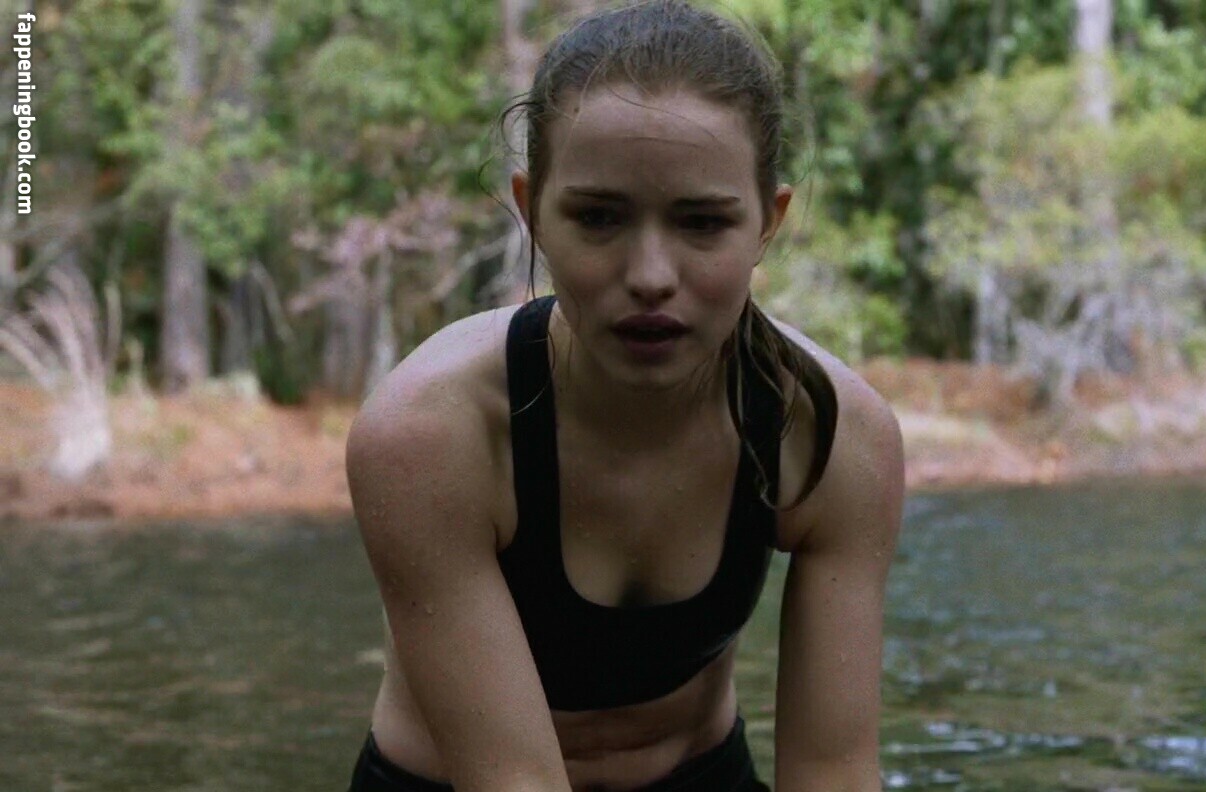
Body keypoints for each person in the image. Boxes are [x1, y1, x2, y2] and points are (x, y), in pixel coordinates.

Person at [342, 2, 904, 790]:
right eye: (599, 218)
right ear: (534, 212)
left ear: (766, 224)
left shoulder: (830, 435)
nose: (649, 276)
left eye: (702, 223)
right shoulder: (431, 434)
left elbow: (833, 771)